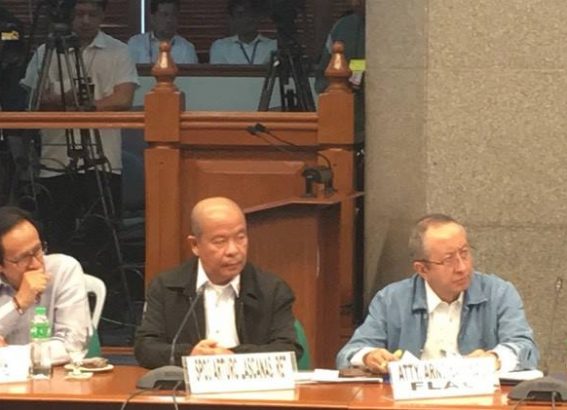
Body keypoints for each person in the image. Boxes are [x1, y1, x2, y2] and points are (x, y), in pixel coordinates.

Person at [336, 214, 539, 373]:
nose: (462, 267)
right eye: (449, 260)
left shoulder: (498, 293)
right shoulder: (391, 300)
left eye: (465, 253)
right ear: (422, 269)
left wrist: (494, 359)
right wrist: (369, 356)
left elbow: (526, 349)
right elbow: (348, 354)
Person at [20, 0, 138, 253]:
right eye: (79, 14)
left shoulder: (118, 51)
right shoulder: (46, 51)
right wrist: (67, 98)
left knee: (103, 234)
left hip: (104, 158)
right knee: (56, 233)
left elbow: (123, 99)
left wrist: (84, 105)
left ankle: (105, 277)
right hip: (54, 158)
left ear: (102, 16)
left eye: (92, 14)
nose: (85, 20)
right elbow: (33, 100)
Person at [135, 197, 302, 368]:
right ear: (195, 245)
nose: (233, 250)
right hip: (187, 383)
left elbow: (289, 350)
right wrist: (189, 355)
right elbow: (145, 348)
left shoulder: (272, 289)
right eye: (220, 241)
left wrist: (233, 356)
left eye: (240, 238)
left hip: (250, 382)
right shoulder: (166, 287)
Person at [0, 206, 91, 364]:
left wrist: (8, 355)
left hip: (56, 376)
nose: (36, 264)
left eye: (37, 250)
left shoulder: (63, 269)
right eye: (23, 258)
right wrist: (18, 304)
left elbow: (73, 344)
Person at [315, 0, 365, 145]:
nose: (355, 4)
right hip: (343, 120)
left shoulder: (391, 28)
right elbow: (322, 75)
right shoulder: (342, 26)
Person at [127, 0, 198, 64]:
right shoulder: (135, 44)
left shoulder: (187, 48)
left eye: (173, 15)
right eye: (164, 15)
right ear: (153, 18)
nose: (169, 20)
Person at [209, 0, 276, 65]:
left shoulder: (273, 45)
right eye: (240, 15)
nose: (247, 19)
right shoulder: (220, 46)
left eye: (251, 14)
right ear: (233, 18)